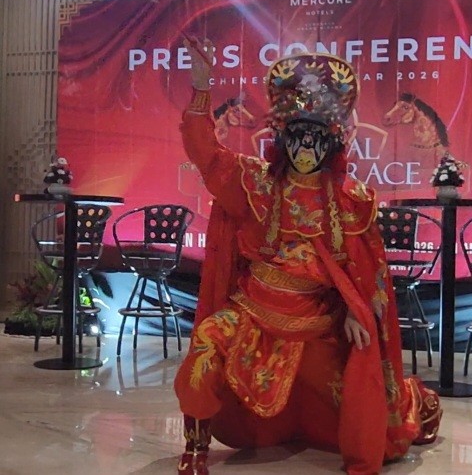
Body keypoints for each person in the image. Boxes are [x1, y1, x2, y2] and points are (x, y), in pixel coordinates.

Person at [174, 38, 442, 475]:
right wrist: (202, 88)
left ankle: (412, 402)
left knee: (362, 415)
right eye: (297, 138)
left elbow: (366, 272)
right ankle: (195, 449)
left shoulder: (351, 200)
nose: (304, 150)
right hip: (251, 313)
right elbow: (205, 153)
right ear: (283, 140)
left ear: (330, 145)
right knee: (206, 345)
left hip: (318, 323)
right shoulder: (255, 183)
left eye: (315, 141)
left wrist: (356, 311)